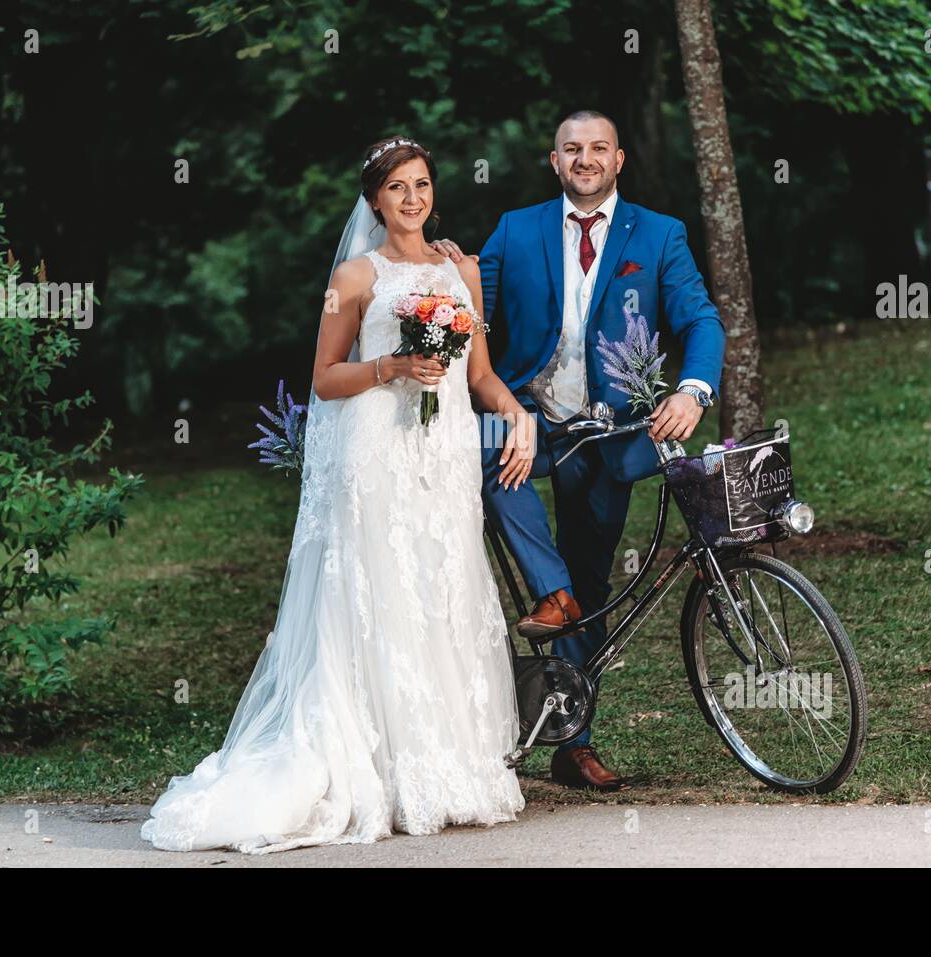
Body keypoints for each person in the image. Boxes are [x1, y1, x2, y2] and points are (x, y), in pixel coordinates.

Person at [140, 137, 536, 854]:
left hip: (442, 454)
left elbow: (478, 374)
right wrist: (391, 364)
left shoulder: (461, 270)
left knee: (439, 592)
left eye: (421, 185)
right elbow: (324, 377)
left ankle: (450, 766)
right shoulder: (355, 277)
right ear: (375, 200)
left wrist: (516, 415)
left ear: (433, 192)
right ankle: (381, 772)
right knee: (381, 595)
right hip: (377, 452)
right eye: (397, 188)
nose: (412, 199)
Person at [432, 110, 726, 792]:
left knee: (595, 585)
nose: (585, 159)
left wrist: (692, 389)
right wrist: (450, 277)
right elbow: (480, 314)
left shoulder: (659, 235)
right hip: (530, 416)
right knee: (489, 456)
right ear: (554, 160)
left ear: (619, 159)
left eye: (598, 149)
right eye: (572, 149)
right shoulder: (518, 228)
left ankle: (574, 740)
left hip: (614, 434)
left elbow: (700, 318)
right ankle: (550, 589)